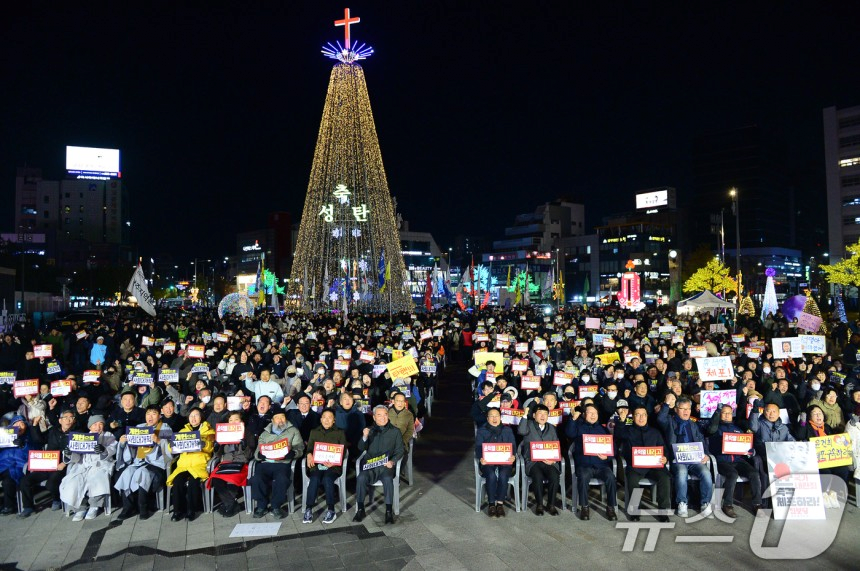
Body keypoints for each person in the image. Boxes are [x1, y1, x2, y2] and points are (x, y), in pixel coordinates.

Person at [657, 394, 714, 518]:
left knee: (706, 473)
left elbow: (702, 440)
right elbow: (660, 419)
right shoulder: (670, 422)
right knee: (682, 472)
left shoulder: (693, 425)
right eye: (683, 409)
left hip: (694, 460)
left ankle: (705, 503)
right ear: (676, 410)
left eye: (688, 409)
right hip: (678, 460)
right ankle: (682, 502)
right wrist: (666, 404)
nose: (686, 411)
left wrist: (707, 455)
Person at [114, 405, 174, 520]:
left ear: (159, 416)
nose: (150, 417)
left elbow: (170, 451)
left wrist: (159, 441)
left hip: (156, 464)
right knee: (127, 472)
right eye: (148, 414)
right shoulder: (139, 427)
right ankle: (127, 507)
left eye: (153, 414)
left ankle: (143, 507)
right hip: (139, 461)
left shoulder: (165, 428)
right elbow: (131, 450)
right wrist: (123, 443)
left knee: (142, 473)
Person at [704, 404, 763, 517]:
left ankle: (757, 504)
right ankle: (727, 505)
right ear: (720, 414)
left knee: (754, 473)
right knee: (732, 474)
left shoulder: (738, 429)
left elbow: (745, 447)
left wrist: (750, 451)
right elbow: (711, 430)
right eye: (724, 413)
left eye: (729, 413)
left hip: (738, 460)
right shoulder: (714, 428)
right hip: (722, 461)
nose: (727, 415)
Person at [616, 405, 670, 522]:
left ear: (647, 416)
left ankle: (663, 511)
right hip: (635, 466)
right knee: (632, 480)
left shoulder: (655, 432)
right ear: (633, 417)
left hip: (654, 466)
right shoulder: (627, 431)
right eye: (638, 415)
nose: (641, 418)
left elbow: (664, 449)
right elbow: (618, 434)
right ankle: (635, 511)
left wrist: (665, 458)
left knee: (665, 477)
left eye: (643, 415)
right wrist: (621, 420)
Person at [18, 409, 76, 516]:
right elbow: (39, 440)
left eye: (71, 418)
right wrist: (35, 425)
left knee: (52, 482)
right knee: (25, 481)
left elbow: (78, 452)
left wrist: (65, 463)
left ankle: (56, 499)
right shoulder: (53, 431)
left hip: (62, 465)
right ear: (60, 421)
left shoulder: (77, 433)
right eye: (66, 418)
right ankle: (28, 507)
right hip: (48, 463)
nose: (68, 420)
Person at [59, 415, 117, 521]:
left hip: (101, 465)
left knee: (97, 479)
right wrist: (69, 453)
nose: (98, 427)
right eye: (95, 424)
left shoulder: (108, 435)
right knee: (73, 481)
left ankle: (94, 506)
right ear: (90, 427)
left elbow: (113, 448)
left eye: (100, 424)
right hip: (83, 465)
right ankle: (80, 507)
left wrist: (104, 449)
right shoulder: (83, 437)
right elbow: (77, 457)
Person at [566, 403, 618, 521]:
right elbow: (569, 433)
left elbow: (613, 448)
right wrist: (573, 418)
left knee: (610, 477)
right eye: (590, 413)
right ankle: (585, 507)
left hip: (601, 465)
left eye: (595, 413)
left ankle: (610, 507)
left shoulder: (603, 429)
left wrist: (608, 457)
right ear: (584, 415)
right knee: (583, 477)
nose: (593, 415)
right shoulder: (578, 427)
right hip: (584, 465)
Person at [354, 405, 404, 524]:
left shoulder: (395, 431)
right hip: (370, 466)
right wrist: (365, 436)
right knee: (361, 477)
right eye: (379, 415)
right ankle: (360, 509)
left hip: (385, 466)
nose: (382, 417)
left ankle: (388, 511)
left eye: (385, 414)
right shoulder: (369, 430)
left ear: (388, 416)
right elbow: (361, 448)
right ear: (374, 417)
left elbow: (400, 450)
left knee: (387, 479)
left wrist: (393, 461)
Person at [250, 408, 304, 518]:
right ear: (272, 420)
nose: (280, 420)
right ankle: (262, 505)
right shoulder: (265, 433)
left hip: (282, 463)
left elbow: (300, 447)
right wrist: (259, 455)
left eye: (282, 417)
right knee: (256, 479)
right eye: (277, 418)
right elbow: (257, 450)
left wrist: (294, 453)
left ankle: (275, 506)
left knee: (282, 479)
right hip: (265, 463)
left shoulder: (293, 431)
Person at [166, 407, 214, 521]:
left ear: (201, 417)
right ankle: (178, 511)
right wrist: (172, 446)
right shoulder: (183, 432)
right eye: (191, 416)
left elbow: (211, 447)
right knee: (177, 481)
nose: (193, 418)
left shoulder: (209, 431)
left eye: (196, 415)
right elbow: (172, 447)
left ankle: (191, 510)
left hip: (199, 464)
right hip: (184, 465)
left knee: (193, 481)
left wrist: (203, 444)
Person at [303, 408, 347, 524]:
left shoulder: (340, 432)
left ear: (334, 420)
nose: (326, 420)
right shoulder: (314, 431)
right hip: (318, 465)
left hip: (332, 466)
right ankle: (308, 509)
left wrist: (335, 461)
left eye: (330, 418)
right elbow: (309, 449)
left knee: (328, 479)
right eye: (324, 417)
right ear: (321, 419)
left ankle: (331, 510)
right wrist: (308, 455)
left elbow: (343, 451)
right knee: (315, 478)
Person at [518, 404, 562, 516]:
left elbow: (556, 445)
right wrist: (524, 415)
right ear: (534, 415)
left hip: (549, 461)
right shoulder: (528, 424)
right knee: (537, 476)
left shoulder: (551, 427)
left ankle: (551, 505)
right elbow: (521, 431)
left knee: (554, 476)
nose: (542, 416)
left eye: (545, 414)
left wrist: (554, 460)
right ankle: (539, 505)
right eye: (540, 413)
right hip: (533, 462)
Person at [207, 412, 254, 517]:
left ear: (241, 421)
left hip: (241, 463)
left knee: (233, 479)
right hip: (226, 463)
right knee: (215, 478)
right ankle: (232, 504)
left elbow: (250, 455)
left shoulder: (247, 433)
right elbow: (218, 455)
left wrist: (245, 445)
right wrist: (217, 447)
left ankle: (229, 505)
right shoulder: (223, 434)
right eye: (231, 420)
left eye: (236, 419)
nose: (233, 422)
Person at [475, 408, 516, 517]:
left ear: (500, 417)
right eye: (491, 416)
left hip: (504, 461)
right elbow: (478, 448)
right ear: (487, 418)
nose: (494, 418)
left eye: (496, 416)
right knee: (491, 475)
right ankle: (491, 504)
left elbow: (513, 446)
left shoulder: (507, 430)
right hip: (487, 461)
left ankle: (500, 504)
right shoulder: (482, 430)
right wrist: (481, 458)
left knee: (503, 475)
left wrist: (513, 456)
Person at [0, 416, 30, 515]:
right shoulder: (5, 437)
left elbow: (33, 450)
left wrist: (23, 445)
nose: (19, 426)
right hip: (3, 464)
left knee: (8, 481)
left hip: (18, 465)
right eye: (15, 424)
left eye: (21, 423)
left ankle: (9, 506)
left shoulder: (29, 437)